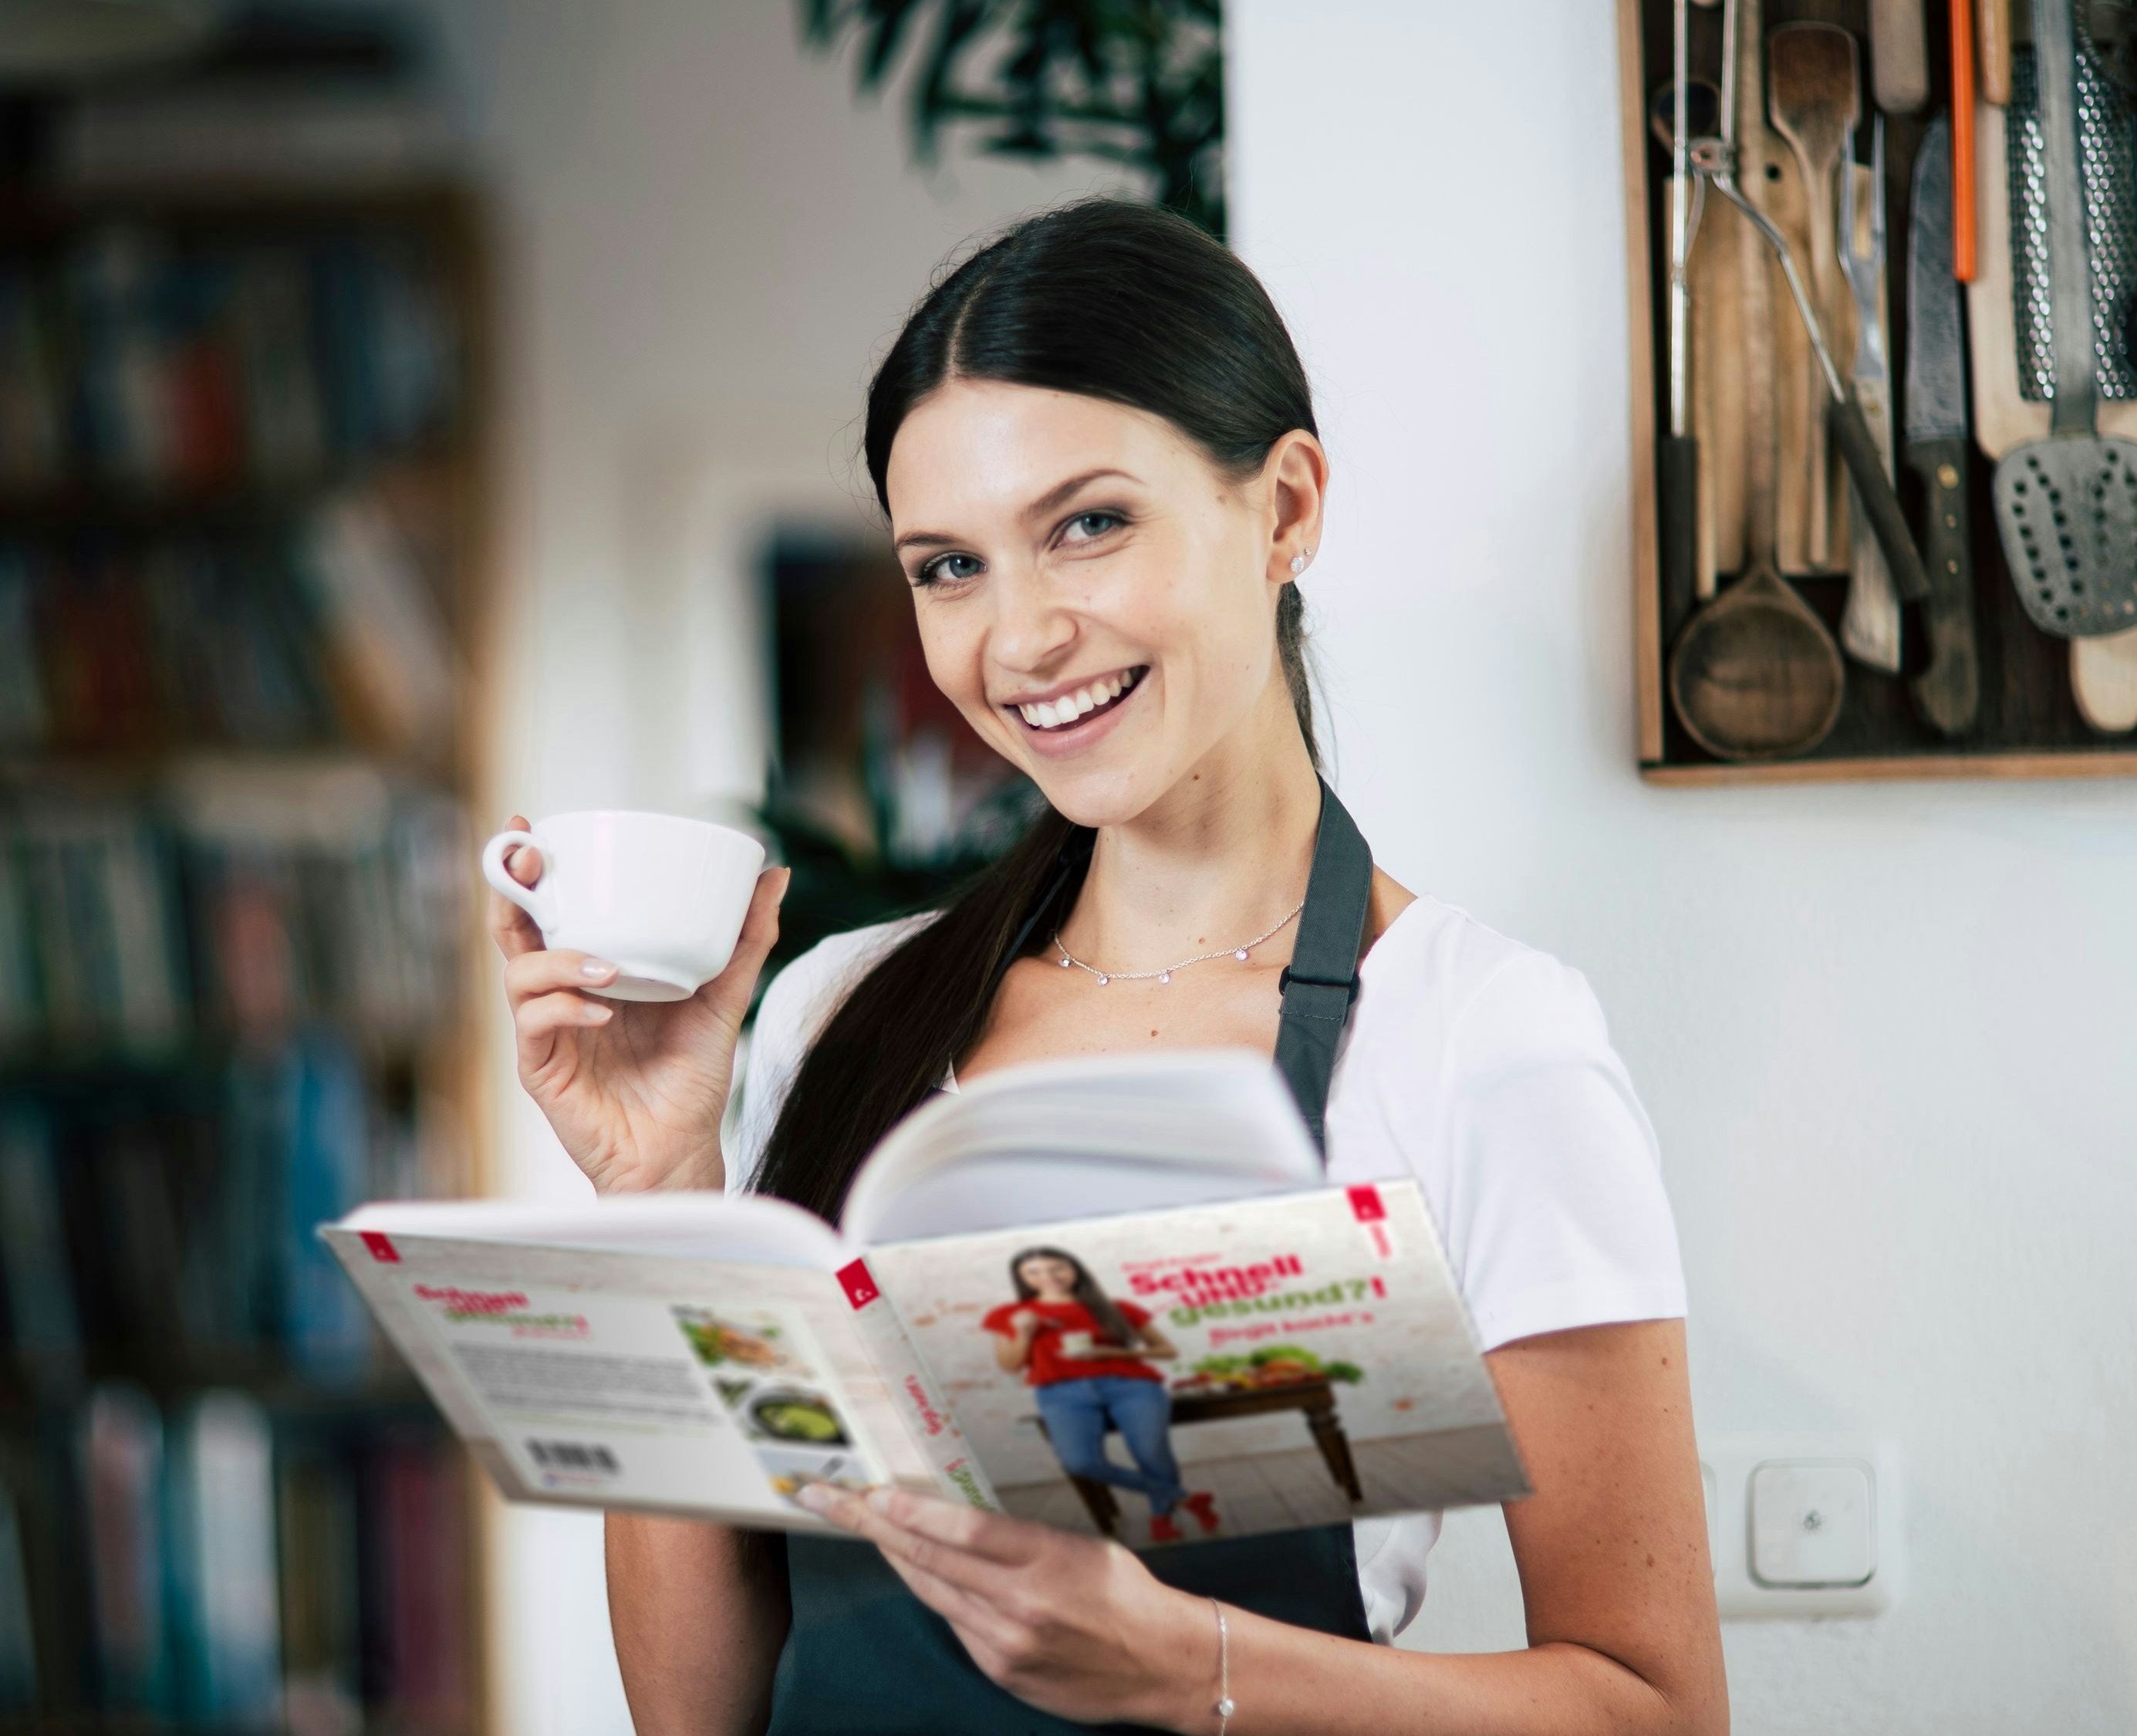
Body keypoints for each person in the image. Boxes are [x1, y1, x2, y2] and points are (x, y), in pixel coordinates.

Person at [488, 198, 1727, 1736]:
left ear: (1283, 508)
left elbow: (1650, 1710)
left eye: (1086, 524)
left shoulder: (1473, 1038)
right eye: (946, 566)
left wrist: (1182, 1664)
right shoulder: (835, 1017)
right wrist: (662, 1192)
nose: (1018, 640)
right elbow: (702, 1715)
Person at [987, 1246, 1210, 1545]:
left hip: (1131, 1386)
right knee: (1080, 1462)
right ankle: (1184, 1498)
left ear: (1074, 1269)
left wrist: (1111, 1351)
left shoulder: (1114, 1307)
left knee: (1151, 1453)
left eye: (1057, 1268)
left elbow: (1167, 1351)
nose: (1048, 1277)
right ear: (1021, 1278)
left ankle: (1163, 1517)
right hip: (1061, 1393)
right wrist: (1024, 1333)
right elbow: (1009, 1365)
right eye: (1034, 1272)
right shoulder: (1011, 1315)